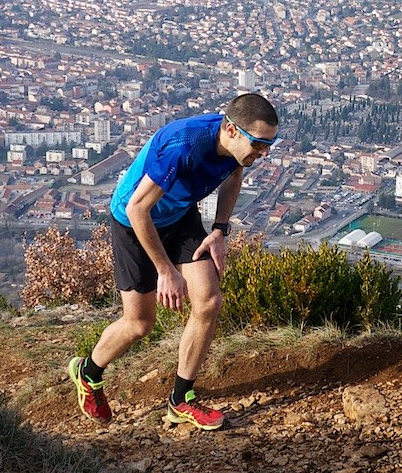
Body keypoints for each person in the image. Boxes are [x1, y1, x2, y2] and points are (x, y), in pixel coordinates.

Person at [68, 92, 278, 431]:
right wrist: (165, 270)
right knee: (140, 325)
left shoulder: (238, 149)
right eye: (259, 143)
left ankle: (181, 400)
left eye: (270, 143)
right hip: (135, 222)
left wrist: (220, 229)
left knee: (208, 301)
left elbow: (233, 174)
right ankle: (88, 373)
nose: (264, 152)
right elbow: (138, 209)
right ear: (232, 130)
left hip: (179, 215)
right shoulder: (184, 146)